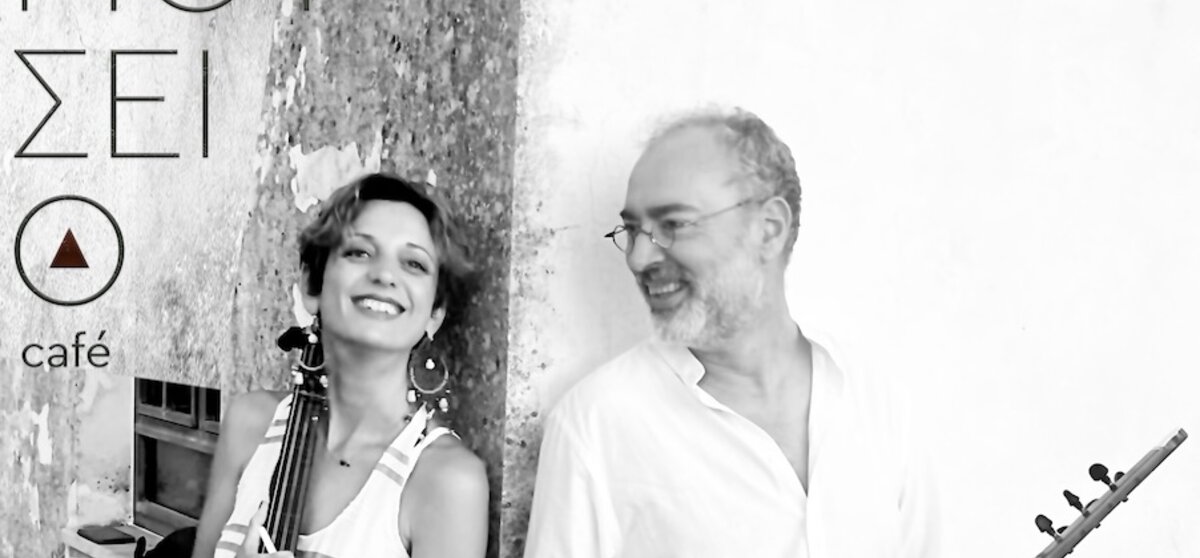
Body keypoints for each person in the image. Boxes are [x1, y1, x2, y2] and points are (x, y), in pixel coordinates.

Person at [524, 108, 940, 557]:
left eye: (673, 225)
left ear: (769, 230)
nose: (639, 258)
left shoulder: (876, 400)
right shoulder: (597, 424)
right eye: (633, 230)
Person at [192, 173, 488, 558]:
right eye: (359, 252)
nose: (384, 275)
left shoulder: (446, 480)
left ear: (435, 313)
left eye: (414, 263)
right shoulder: (251, 424)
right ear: (311, 287)